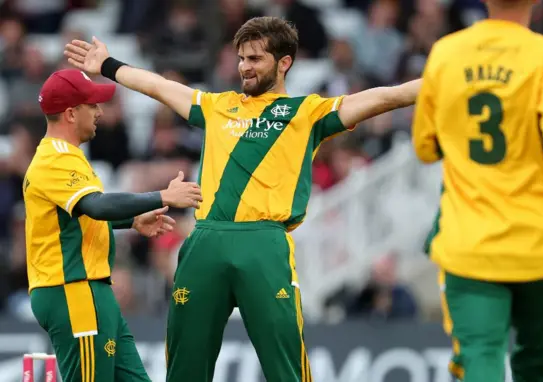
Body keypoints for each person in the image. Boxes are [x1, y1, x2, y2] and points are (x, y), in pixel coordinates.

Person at [63, 16, 420, 382]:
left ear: (284, 63)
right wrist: (107, 65)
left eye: (255, 59)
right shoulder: (217, 106)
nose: (244, 68)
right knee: (185, 368)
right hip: (206, 241)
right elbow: (158, 86)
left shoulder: (307, 112)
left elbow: (384, 97)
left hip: (263, 244)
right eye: (241, 58)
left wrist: (440, 81)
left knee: (287, 369)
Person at [411, 0, 543, 380]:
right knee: (540, 365)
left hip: (470, 244)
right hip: (541, 244)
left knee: (480, 360)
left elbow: (425, 146)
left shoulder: (447, 52)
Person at [25, 69, 203, 382]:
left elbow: (82, 214)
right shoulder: (54, 160)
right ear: (70, 113)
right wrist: (162, 195)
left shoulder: (68, 156)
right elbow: (96, 205)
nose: (99, 111)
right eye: (91, 104)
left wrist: (132, 219)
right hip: (73, 290)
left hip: (89, 289)